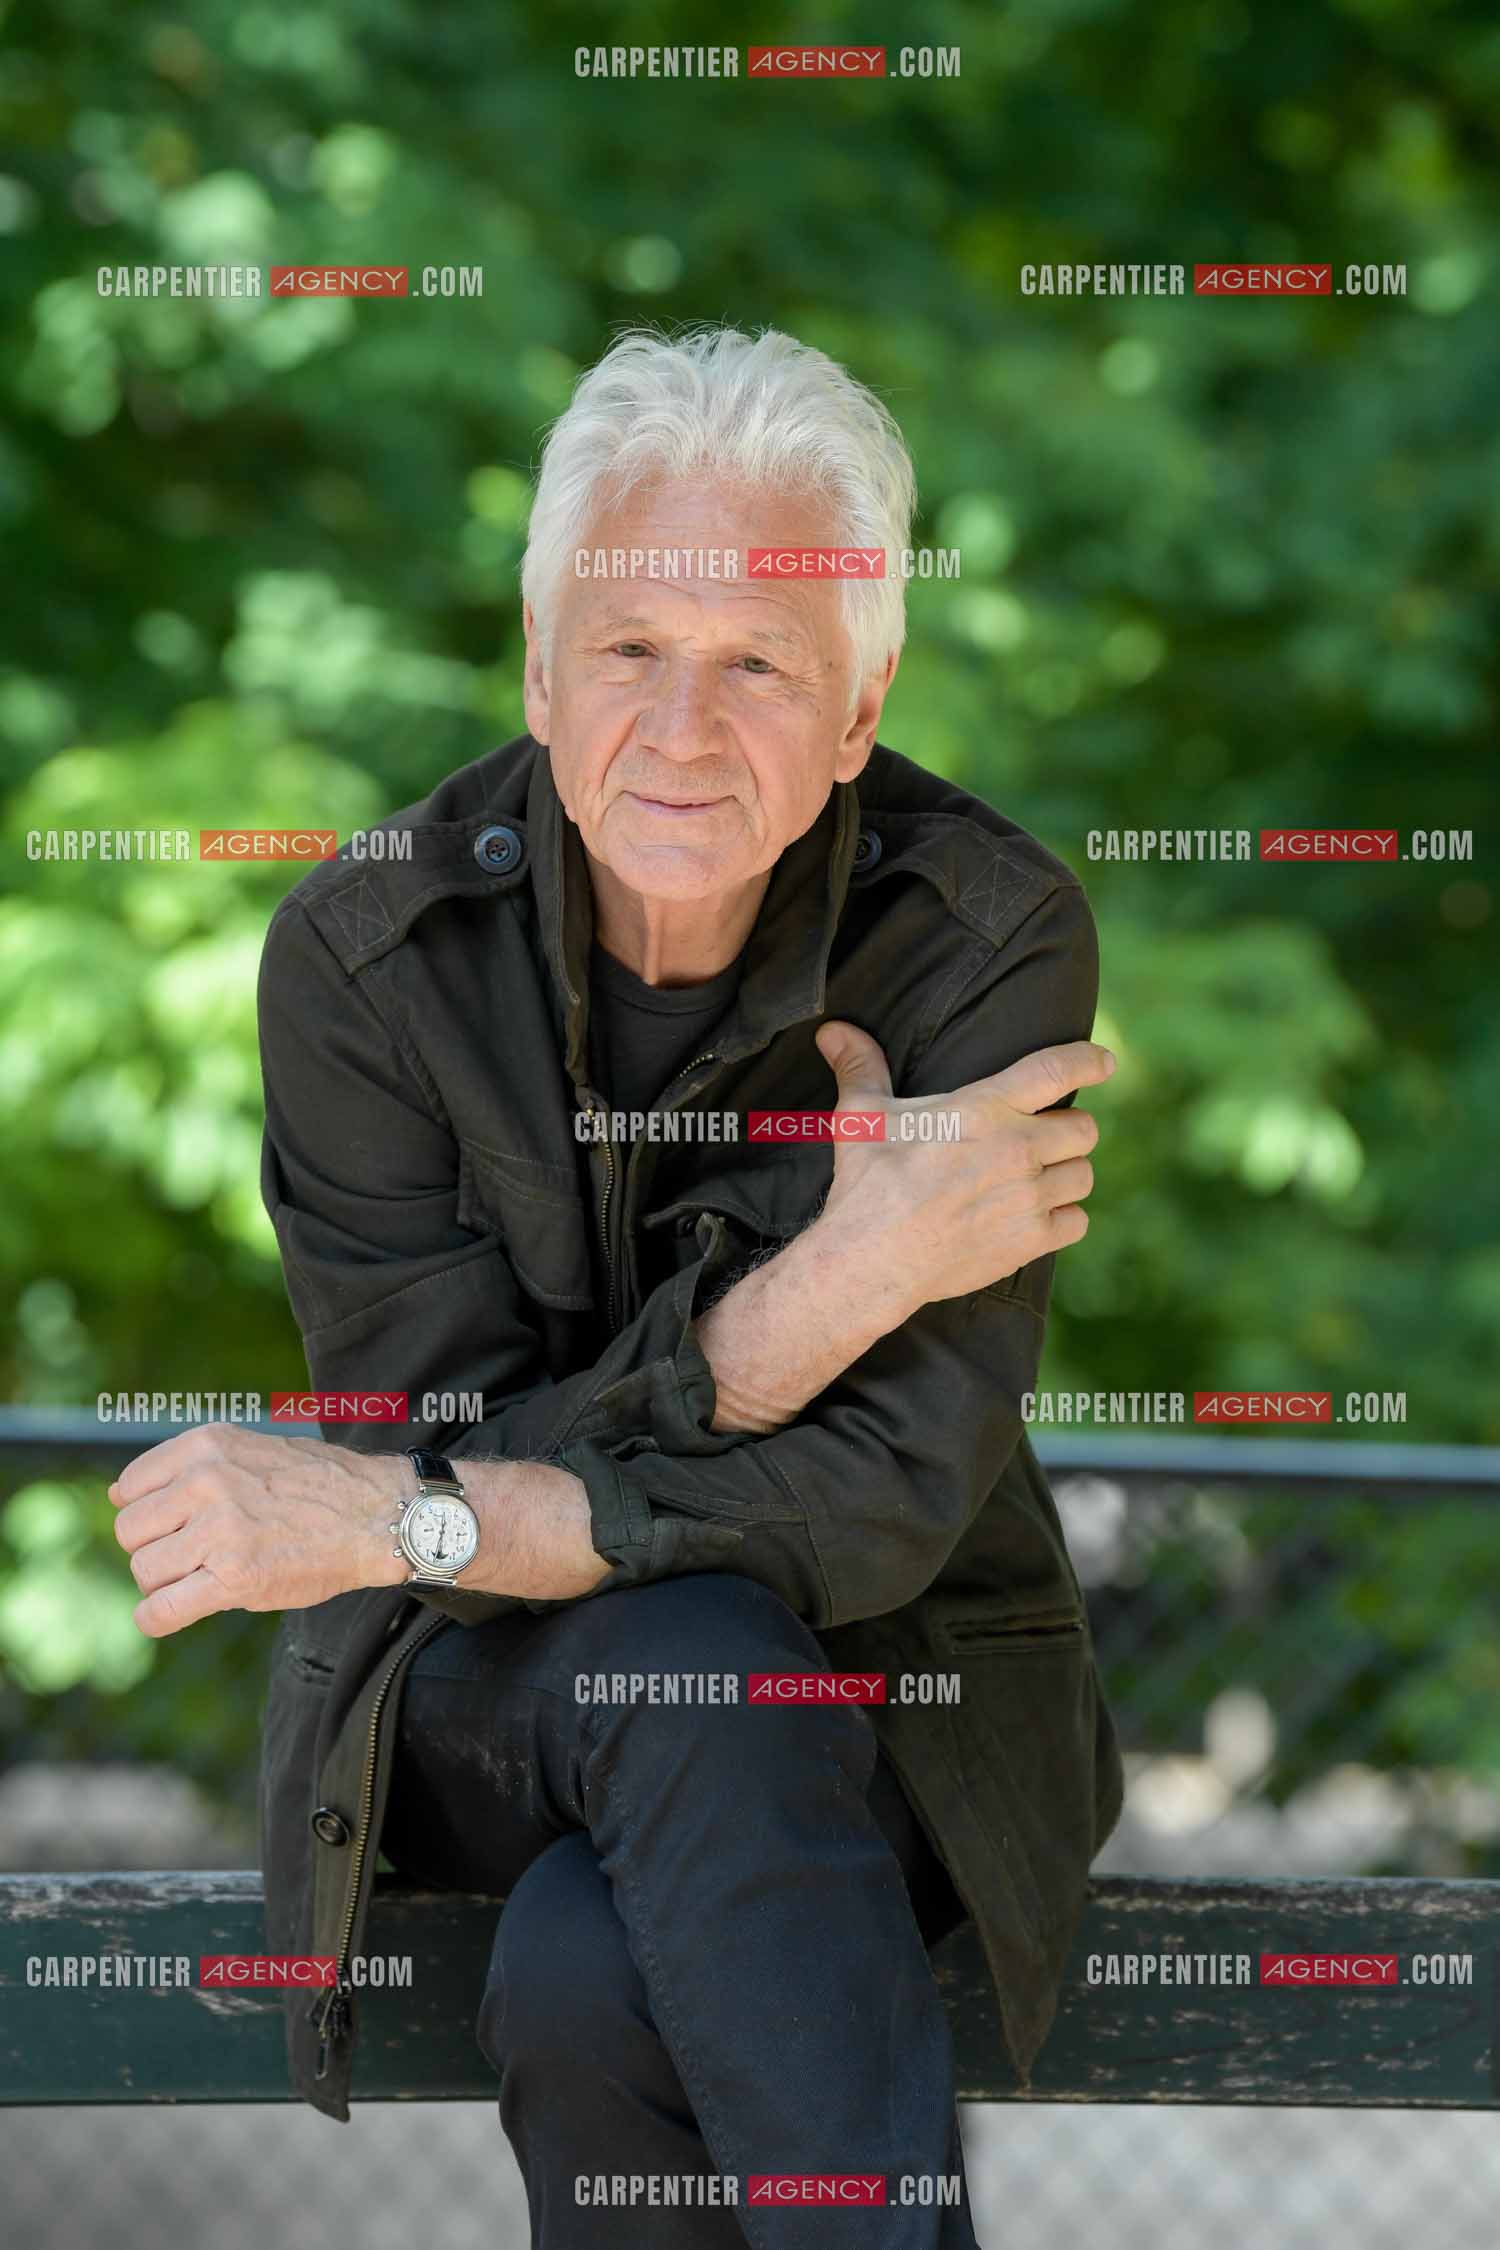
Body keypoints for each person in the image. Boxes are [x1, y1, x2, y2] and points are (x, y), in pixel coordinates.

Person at [109, 324, 1123, 2248]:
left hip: (888, 1706)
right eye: (630, 649)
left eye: (759, 661)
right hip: (486, 1696)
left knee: (591, 1959)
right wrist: (830, 1293)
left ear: (860, 705)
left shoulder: (979, 941)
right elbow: (454, 1464)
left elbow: (882, 1505)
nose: (680, 724)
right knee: (701, 1660)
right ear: (538, 670)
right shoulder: (368, 955)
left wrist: (425, 1511)